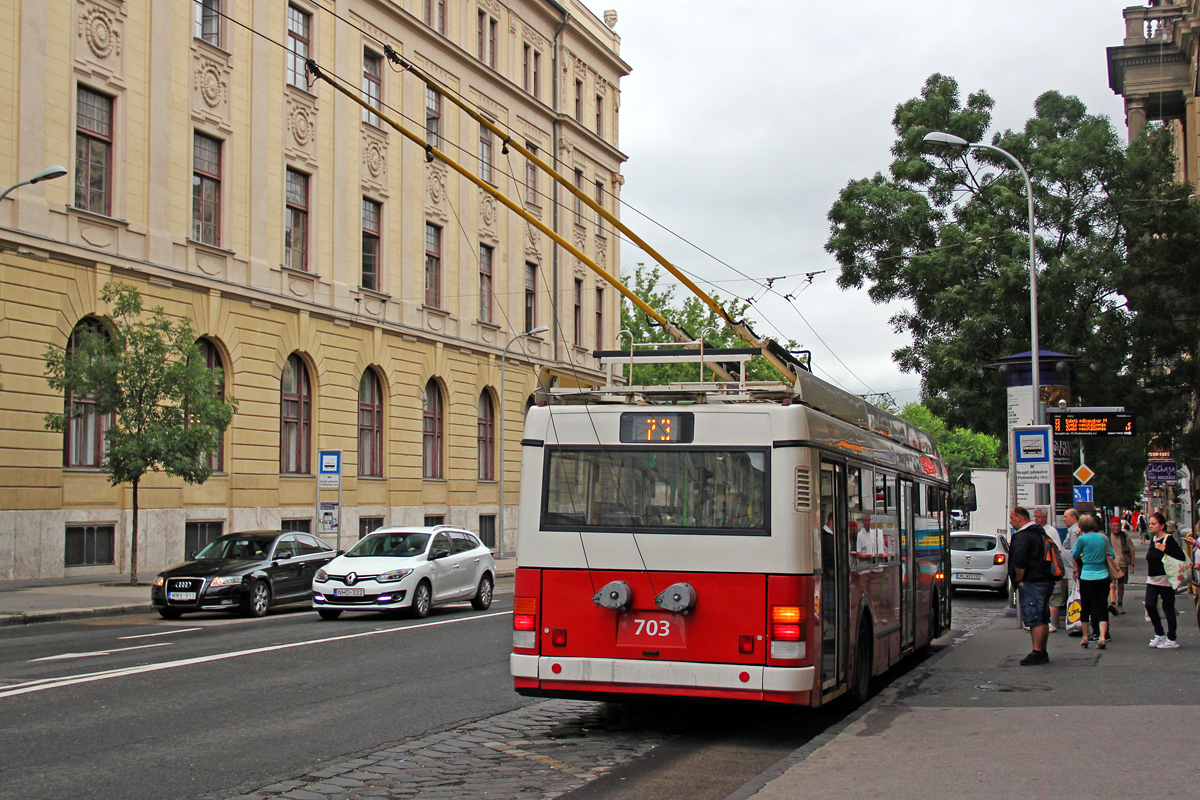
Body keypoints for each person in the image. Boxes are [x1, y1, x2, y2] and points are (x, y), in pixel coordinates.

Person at [1009, 506, 1054, 665]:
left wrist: (1019, 579)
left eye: (1012, 518)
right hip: (1045, 579)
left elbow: (1019, 560)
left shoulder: (1022, 536)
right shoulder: (1040, 532)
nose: (1011, 521)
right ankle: (1042, 650)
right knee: (1042, 617)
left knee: (1035, 618)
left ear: (1020, 518)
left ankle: (1037, 651)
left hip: (1032, 581)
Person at [1144, 512, 1186, 649]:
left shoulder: (1168, 539)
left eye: (1153, 524)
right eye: (1150, 523)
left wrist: (1165, 549)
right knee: (1150, 605)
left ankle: (1171, 638)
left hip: (1165, 579)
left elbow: (1180, 556)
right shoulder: (1153, 538)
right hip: (1152, 578)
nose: (1150, 526)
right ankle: (1159, 634)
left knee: (1168, 608)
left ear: (1162, 526)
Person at [1072, 513, 1114, 650]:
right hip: (1102, 575)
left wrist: (1079, 541)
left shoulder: (1082, 539)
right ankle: (1102, 636)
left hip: (1087, 576)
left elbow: (1075, 555)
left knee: (1086, 607)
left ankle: (1085, 637)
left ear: (1081, 527)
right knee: (1102, 606)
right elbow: (1112, 555)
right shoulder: (1103, 538)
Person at [1034, 507, 1067, 632]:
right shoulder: (1037, 531)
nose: (1035, 519)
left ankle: (1053, 623)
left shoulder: (1051, 531)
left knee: (1054, 596)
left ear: (1044, 517)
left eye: (1038, 517)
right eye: (1034, 516)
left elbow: (1057, 549)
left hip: (1051, 569)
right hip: (1040, 569)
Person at [1107, 516, 1135, 614]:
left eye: (1118, 526)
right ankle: (1113, 603)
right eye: (1114, 526)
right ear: (1111, 526)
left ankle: (1120, 604)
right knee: (1112, 585)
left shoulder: (1125, 536)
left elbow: (1132, 549)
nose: (1116, 528)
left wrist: (1132, 564)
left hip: (1123, 564)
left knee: (1121, 585)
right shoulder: (1107, 536)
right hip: (1112, 564)